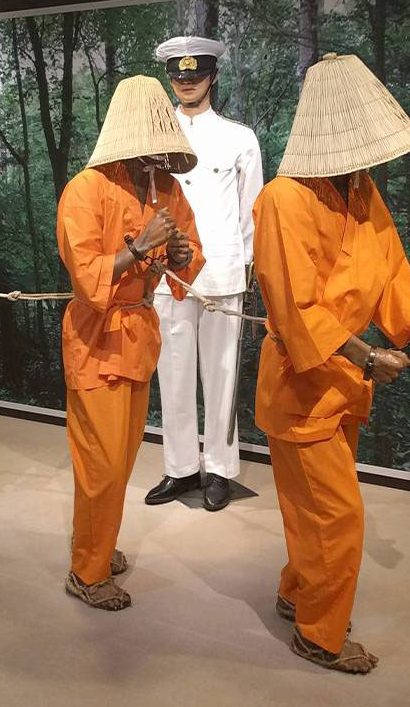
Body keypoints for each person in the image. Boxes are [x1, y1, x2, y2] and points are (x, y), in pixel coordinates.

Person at [252, 53, 410, 673]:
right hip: (302, 379)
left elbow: (390, 266)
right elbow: (293, 305)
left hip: (345, 380)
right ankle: (320, 633)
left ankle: (298, 592)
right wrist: (367, 352)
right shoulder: (284, 200)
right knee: (336, 515)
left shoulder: (362, 193)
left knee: (312, 508)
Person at [56, 75, 204, 610]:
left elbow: (186, 254)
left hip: (140, 335)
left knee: (123, 454)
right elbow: (86, 272)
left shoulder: (167, 188)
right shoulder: (85, 189)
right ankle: (87, 571)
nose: (157, 152)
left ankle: (98, 543)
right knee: (101, 463)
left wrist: (181, 256)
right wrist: (140, 248)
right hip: (97, 339)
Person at [145, 35, 264, 512]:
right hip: (166, 273)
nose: (186, 83)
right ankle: (179, 468)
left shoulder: (240, 138)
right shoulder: (153, 137)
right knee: (171, 374)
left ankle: (219, 468)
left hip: (221, 270)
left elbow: (250, 212)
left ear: (212, 77)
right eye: (178, 75)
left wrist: (247, 269)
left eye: (195, 75)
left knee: (220, 375)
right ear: (169, 78)